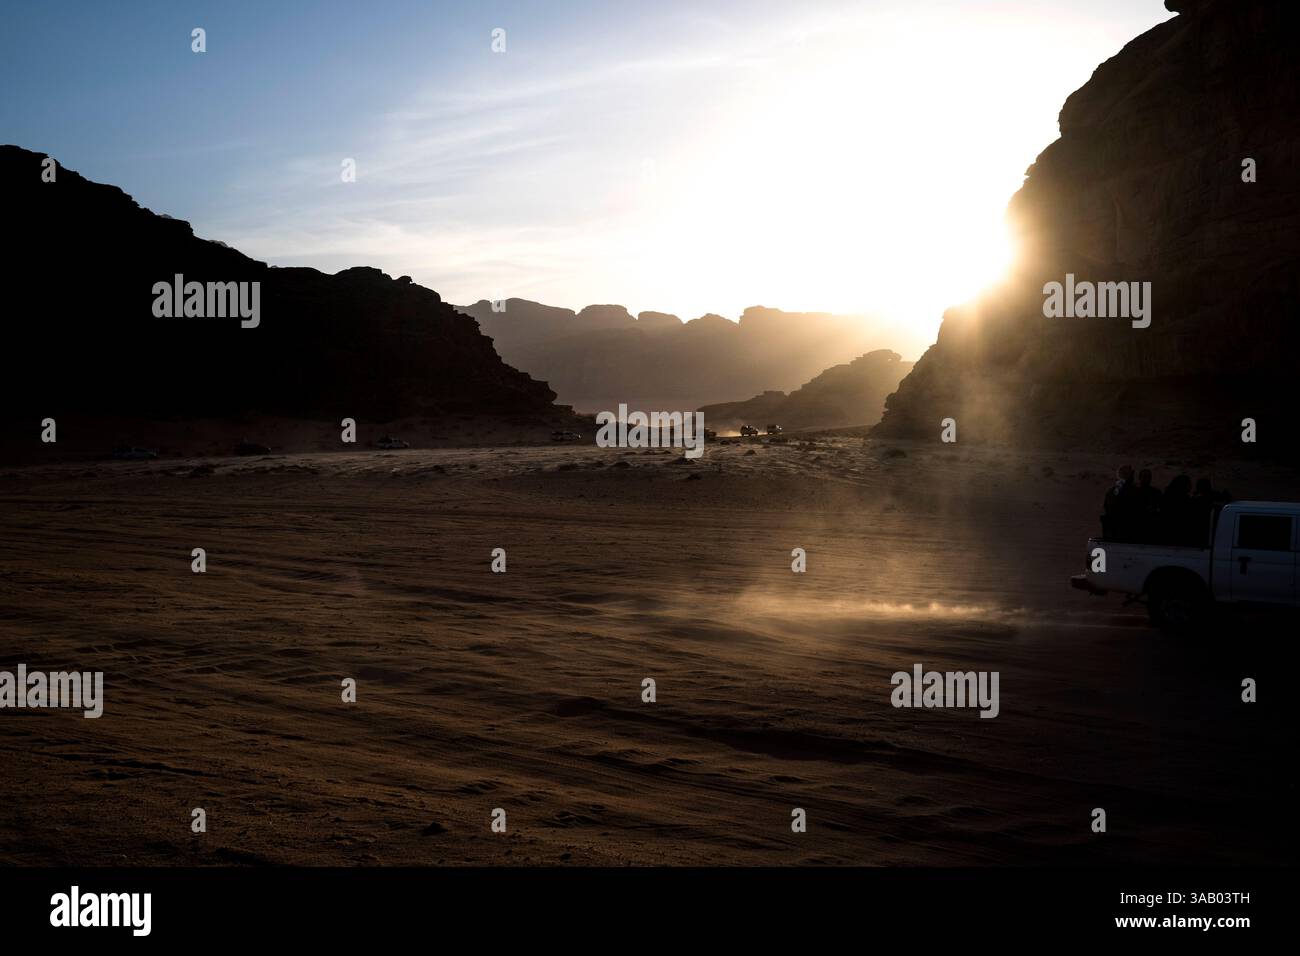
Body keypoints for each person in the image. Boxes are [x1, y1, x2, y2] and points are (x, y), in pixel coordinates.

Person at [1102, 464, 1137, 540]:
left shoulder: (1112, 491)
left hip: (1114, 530)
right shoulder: (1132, 491)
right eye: (1132, 474)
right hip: (1126, 530)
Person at [1134, 468, 1162, 542]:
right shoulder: (1134, 492)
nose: (1147, 479)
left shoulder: (1156, 493)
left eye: (1148, 477)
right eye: (1145, 476)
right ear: (1140, 478)